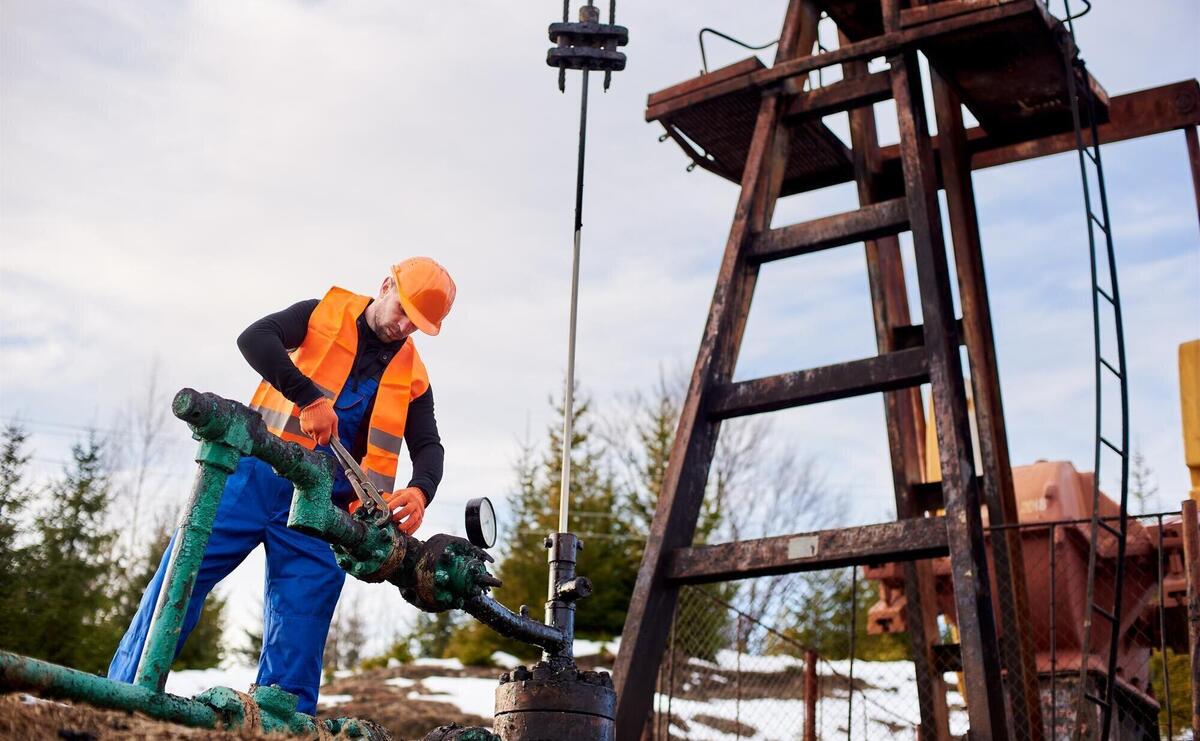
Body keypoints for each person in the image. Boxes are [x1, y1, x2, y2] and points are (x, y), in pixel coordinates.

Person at [108, 257, 455, 713]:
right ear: (386, 284)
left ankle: (281, 722)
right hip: (254, 478)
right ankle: (121, 700)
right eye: (404, 310)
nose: (405, 326)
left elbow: (429, 444)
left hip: (324, 511)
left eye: (418, 324)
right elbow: (253, 338)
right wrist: (308, 396)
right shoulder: (321, 313)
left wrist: (420, 488)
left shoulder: (414, 377)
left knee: (301, 627)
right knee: (180, 579)